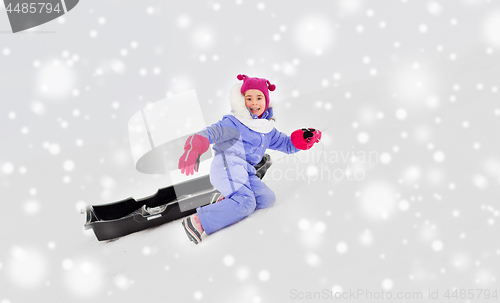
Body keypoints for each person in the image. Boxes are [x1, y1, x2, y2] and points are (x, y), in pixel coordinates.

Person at [178, 74, 322, 244]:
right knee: (246, 203)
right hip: (227, 165)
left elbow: (285, 144)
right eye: (249, 98)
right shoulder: (234, 122)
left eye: (259, 98)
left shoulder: (266, 129)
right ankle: (198, 222)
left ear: (266, 102)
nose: (254, 103)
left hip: (246, 171)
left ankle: (225, 201)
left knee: (267, 199)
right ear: (242, 101)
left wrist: (303, 139)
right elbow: (211, 132)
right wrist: (194, 147)